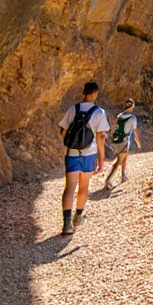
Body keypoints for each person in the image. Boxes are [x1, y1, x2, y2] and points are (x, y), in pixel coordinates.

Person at [57, 81, 110, 235]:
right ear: (95, 93)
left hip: (71, 153)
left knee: (69, 187)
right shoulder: (100, 112)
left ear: (84, 92)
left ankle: (66, 224)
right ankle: (78, 217)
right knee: (84, 186)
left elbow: (62, 133)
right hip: (89, 153)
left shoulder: (72, 109)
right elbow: (101, 137)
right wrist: (101, 159)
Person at [105, 98, 141, 188]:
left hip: (116, 140)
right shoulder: (132, 117)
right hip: (125, 141)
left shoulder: (120, 115)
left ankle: (123, 175)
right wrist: (138, 142)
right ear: (132, 106)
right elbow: (135, 130)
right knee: (119, 160)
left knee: (123, 157)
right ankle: (108, 180)